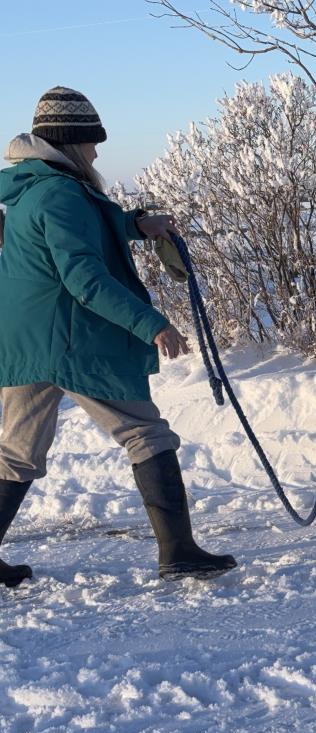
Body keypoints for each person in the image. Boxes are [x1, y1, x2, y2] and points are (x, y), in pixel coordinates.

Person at [0, 87, 236, 586]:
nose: (96, 152)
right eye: (91, 142)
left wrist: (136, 225)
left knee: (17, 451)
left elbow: (79, 231)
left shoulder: (35, 186)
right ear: (70, 142)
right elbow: (84, 278)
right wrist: (152, 324)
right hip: (70, 338)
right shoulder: (61, 193)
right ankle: (179, 552)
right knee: (145, 433)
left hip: (25, 338)